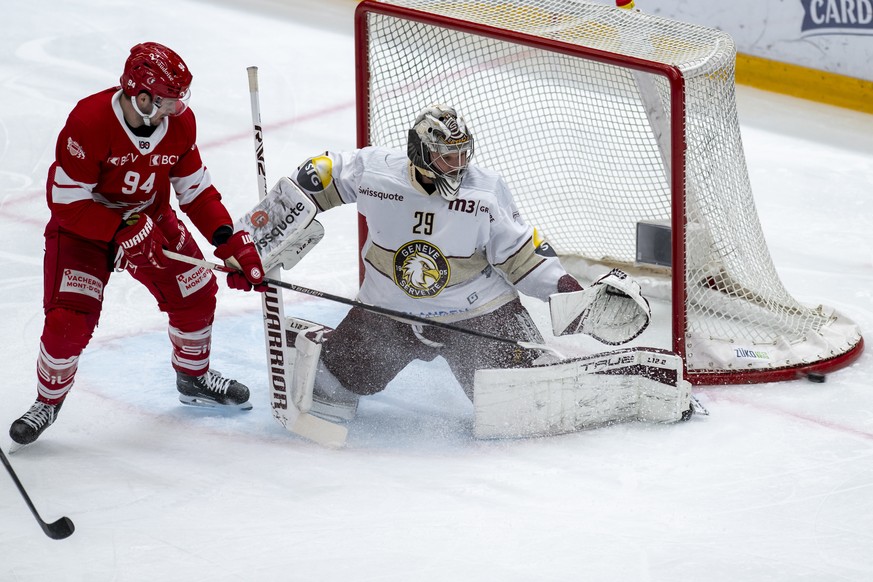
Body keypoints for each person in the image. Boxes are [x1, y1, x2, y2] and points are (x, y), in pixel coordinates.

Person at [9, 42, 266, 447]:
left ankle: (194, 377)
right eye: (167, 100)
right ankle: (47, 401)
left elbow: (195, 190)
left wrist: (229, 241)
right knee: (67, 322)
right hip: (84, 229)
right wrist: (120, 227)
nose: (176, 109)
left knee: (197, 292)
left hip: (150, 220)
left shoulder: (180, 126)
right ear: (141, 96)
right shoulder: (90, 121)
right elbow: (65, 202)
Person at [290, 104, 596, 422]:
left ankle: (531, 367)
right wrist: (274, 226)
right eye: (448, 157)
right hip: (390, 311)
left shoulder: (485, 193)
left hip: (477, 314)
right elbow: (321, 172)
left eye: (463, 155)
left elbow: (521, 252)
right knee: (342, 380)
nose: (459, 165)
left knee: (519, 401)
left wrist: (566, 290)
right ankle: (318, 343)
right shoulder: (377, 174)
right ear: (420, 153)